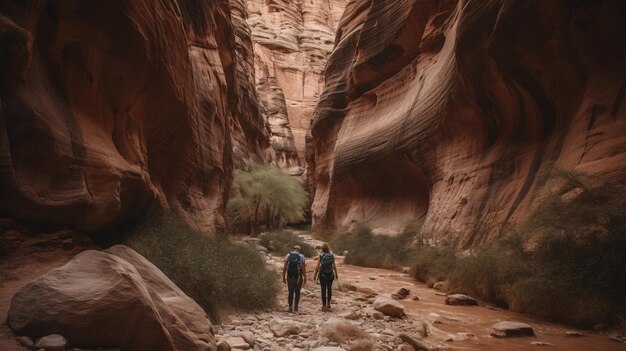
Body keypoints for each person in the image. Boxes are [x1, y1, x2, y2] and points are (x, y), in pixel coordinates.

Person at [314, 242, 338, 311]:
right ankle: (329, 304)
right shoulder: (331, 255)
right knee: (329, 289)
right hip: (330, 275)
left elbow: (317, 266)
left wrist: (315, 275)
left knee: (323, 290)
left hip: (322, 275)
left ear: (322, 249)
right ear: (328, 248)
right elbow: (334, 266)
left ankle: (324, 305)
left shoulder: (321, 255)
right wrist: (336, 274)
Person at [283, 245, 306, 313]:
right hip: (298, 277)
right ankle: (296, 307)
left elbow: (285, 267)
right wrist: (305, 278)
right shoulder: (301, 256)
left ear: (293, 249)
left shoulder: (288, 255)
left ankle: (290, 307)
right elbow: (303, 268)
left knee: (290, 292)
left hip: (290, 276)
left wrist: (283, 277)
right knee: (297, 292)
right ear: (299, 250)